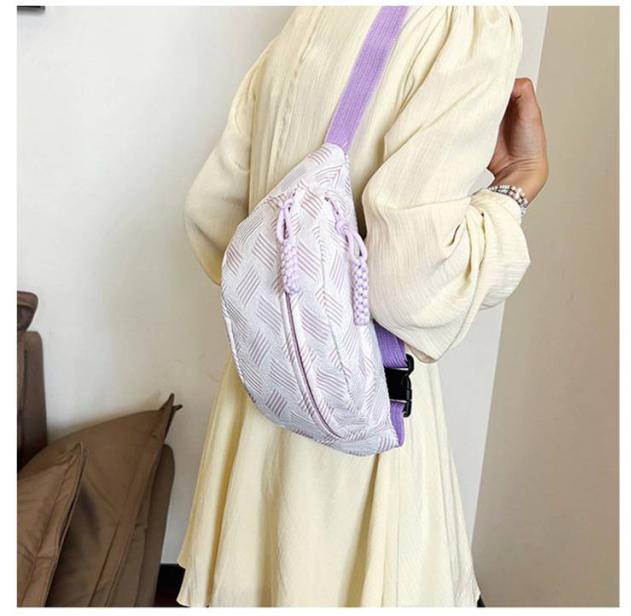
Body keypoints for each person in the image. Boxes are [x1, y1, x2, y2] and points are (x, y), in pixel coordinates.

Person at [177, 6, 548, 607]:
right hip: (362, 417)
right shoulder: (467, 23)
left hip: (260, 402)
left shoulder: (314, 14)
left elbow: (214, 211)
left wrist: (295, 298)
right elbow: (413, 287)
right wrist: (515, 187)